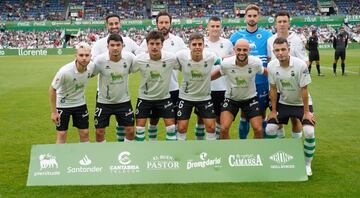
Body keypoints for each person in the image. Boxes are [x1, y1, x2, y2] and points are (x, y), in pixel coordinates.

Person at [266, 37, 316, 176]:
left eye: (283, 49)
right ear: (274, 51)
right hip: (284, 103)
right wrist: (273, 111)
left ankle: (307, 164)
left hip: (301, 104)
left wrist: (306, 112)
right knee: (270, 129)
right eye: (277, 50)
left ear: (289, 50)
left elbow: (304, 90)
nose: (280, 53)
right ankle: (277, 157)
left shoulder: (300, 65)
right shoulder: (271, 66)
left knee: (309, 132)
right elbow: (273, 89)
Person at [91, 14, 141, 142]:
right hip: (103, 94)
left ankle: (122, 153)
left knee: (125, 126)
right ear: (106, 25)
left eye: (116, 23)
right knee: (100, 130)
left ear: (120, 23)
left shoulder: (129, 42)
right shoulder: (98, 45)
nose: (114, 26)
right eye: (111, 24)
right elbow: (92, 65)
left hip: (122, 93)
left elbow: (141, 55)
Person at [139, 11, 187, 141]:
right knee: (153, 121)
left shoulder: (178, 41)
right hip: (153, 90)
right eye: (161, 22)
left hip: (172, 88)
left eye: (166, 22)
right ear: (157, 23)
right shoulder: (146, 42)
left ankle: (173, 149)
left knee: (173, 124)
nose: (164, 25)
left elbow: (185, 62)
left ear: (170, 24)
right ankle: (153, 147)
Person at [230, 4, 272, 139]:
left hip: (262, 82)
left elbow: (271, 57)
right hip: (244, 81)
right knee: (244, 114)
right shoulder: (237, 36)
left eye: (254, 16)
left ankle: (262, 145)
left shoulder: (268, 35)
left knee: (262, 113)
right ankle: (243, 144)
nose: (252, 18)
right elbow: (231, 57)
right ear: (245, 18)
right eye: (249, 16)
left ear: (258, 17)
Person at [212, 39, 265, 139]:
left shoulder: (256, 63)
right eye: (239, 50)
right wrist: (202, 79)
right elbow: (216, 74)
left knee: (258, 129)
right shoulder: (226, 64)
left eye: (245, 50)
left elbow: (266, 72)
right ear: (234, 50)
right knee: (223, 129)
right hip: (231, 99)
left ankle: (256, 153)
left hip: (250, 99)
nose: (241, 52)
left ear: (249, 50)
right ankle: (228, 153)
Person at [267, 11, 308, 138]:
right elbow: (270, 60)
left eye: (285, 21)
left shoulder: (296, 40)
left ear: (289, 23)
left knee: (295, 119)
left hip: (293, 87)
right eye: (279, 21)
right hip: (276, 86)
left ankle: (295, 146)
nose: (282, 24)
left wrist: (298, 75)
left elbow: (305, 61)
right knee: (277, 119)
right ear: (276, 24)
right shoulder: (270, 40)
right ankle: (282, 145)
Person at [132, 30, 179, 141]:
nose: (154, 47)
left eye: (157, 44)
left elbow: (182, 66)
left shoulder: (171, 58)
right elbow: (128, 70)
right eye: (151, 44)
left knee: (171, 128)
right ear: (147, 45)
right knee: (139, 129)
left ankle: (170, 155)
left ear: (162, 45)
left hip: (164, 98)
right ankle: (144, 153)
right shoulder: (139, 59)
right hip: (144, 98)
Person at [176, 33, 220, 141]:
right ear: (189, 46)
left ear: (204, 45)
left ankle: (210, 153)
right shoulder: (181, 56)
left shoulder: (211, 57)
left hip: (204, 98)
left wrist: (209, 78)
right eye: (194, 44)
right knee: (181, 128)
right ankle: (180, 154)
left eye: (200, 44)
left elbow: (224, 64)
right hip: (185, 97)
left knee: (211, 127)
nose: (197, 47)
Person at [49, 43, 94, 144]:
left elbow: (91, 74)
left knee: (85, 133)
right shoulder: (65, 71)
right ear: (76, 56)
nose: (84, 58)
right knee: (62, 134)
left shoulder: (91, 67)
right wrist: (54, 112)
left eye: (87, 55)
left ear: (91, 56)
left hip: (80, 104)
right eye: (81, 55)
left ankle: (85, 157)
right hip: (63, 105)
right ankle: (59, 158)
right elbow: (52, 89)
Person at [200, 16, 233, 140]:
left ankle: (219, 147)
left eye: (217, 26)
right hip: (204, 88)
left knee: (220, 120)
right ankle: (202, 146)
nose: (215, 28)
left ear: (221, 27)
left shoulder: (227, 43)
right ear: (207, 27)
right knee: (202, 120)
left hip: (222, 88)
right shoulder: (201, 43)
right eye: (212, 26)